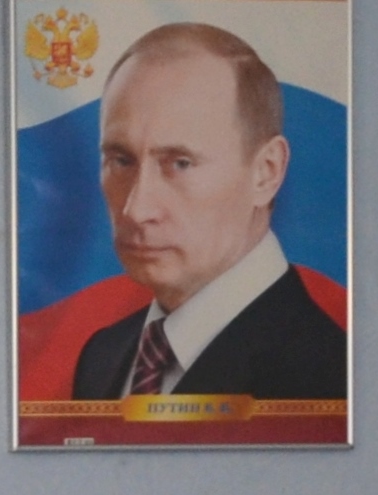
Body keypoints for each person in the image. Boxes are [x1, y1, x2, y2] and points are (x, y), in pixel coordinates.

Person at [69, 22, 347, 403]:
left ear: (266, 172)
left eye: (180, 163)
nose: (136, 209)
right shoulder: (102, 357)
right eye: (121, 160)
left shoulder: (328, 378)